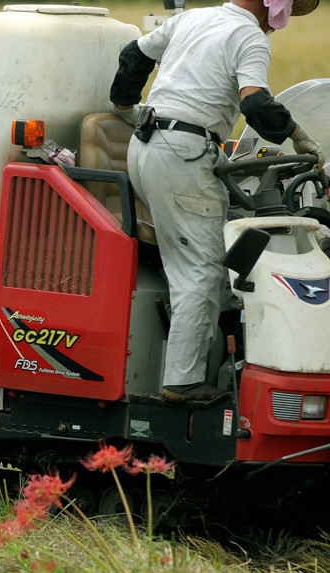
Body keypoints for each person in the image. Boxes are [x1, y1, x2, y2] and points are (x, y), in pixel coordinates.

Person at [109, 0, 324, 402]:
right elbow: (255, 102)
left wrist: (123, 106)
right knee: (202, 270)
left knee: (221, 258)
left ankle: (228, 354)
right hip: (184, 154)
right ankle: (183, 382)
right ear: (274, 8)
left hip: (147, 146)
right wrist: (298, 135)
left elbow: (134, 54)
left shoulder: (193, 17)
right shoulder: (249, 37)